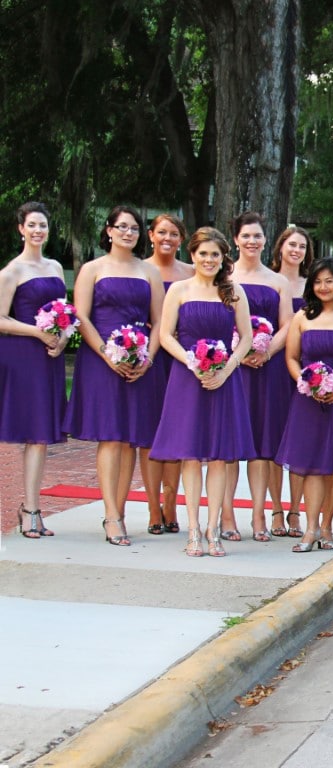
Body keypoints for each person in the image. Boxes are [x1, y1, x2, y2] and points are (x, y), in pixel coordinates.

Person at [64, 205, 166, 546]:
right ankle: (110, 515)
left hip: (140, 363)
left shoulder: (148, 272)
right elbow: (82, 316)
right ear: (108, 230)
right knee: (110, 436)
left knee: (130, 439)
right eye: (121, 227)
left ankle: (120, 512)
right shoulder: (92, 269)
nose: (128, 233)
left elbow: (160, 321)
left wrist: (147, 358)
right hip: (101, 360)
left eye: (134, 228)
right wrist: (109, 355)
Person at [150, 227, 255, 557]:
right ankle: (193, 528)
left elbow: (247, 338)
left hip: (225, 380)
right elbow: (166, 335)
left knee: (221, 457)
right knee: (191, 455)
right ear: (192, 255)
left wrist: (226, 370)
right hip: (187, 379)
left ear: (223, 257)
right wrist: (192, 362)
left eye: (215, 254)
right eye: (202, 253)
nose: (209, 259)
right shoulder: (179, 290)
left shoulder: (233, 291)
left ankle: (215, 529)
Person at [276, 258, 333, 551]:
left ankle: (327, 527)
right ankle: (310, 529)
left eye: (329, 281)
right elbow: (291, 357)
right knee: (311, 465)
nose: (323, 287)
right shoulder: (302, 316)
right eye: (317, 281)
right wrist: (305, 383)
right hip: (308, 401)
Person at [223, 212, 295, 541]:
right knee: (229, 446)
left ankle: (258, 516)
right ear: (236, 239)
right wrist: (238, 352)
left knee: (262, 448)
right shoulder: (224, 278)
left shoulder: (278, 281)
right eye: (246, 236)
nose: (253, 241)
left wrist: (265, 351)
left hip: (269, 369)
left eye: (258, 236)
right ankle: (225, 517)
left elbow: (287, 326)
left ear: (266, 241)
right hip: (233, 370)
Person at [0, 202, 68, 538]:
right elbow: (0, 319)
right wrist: (38, 332)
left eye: (43, 225)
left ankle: (32, 507)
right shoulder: (11, 271)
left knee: (41, 438)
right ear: (21, 229)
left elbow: (64, 311)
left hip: (50, 356)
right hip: (23, 356)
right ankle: (28, 511)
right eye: (32, 225)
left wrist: (63, 337)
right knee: (30, 433)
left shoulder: (55, 267)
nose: (38, 230)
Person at [142, 213, 194, 535]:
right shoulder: (141, 270)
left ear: (181, 239)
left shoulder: (191, 272)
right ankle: (151, 507)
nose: (167, 238)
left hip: (182, 359)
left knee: (176, 429)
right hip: (149, 356)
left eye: (174, 233)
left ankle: (171, 502)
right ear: (151, 235)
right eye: (162, 232)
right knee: (149, 432)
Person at [270, 225, 315, 540]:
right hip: (271, 365)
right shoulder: (268, 279)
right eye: (291, 244)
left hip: (303, 368)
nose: (296, 250)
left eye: (301, 246)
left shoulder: (314, 286)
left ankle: (296, 510)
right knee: (272, 440)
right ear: (281, 247)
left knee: (299, 440)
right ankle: (274, 510)